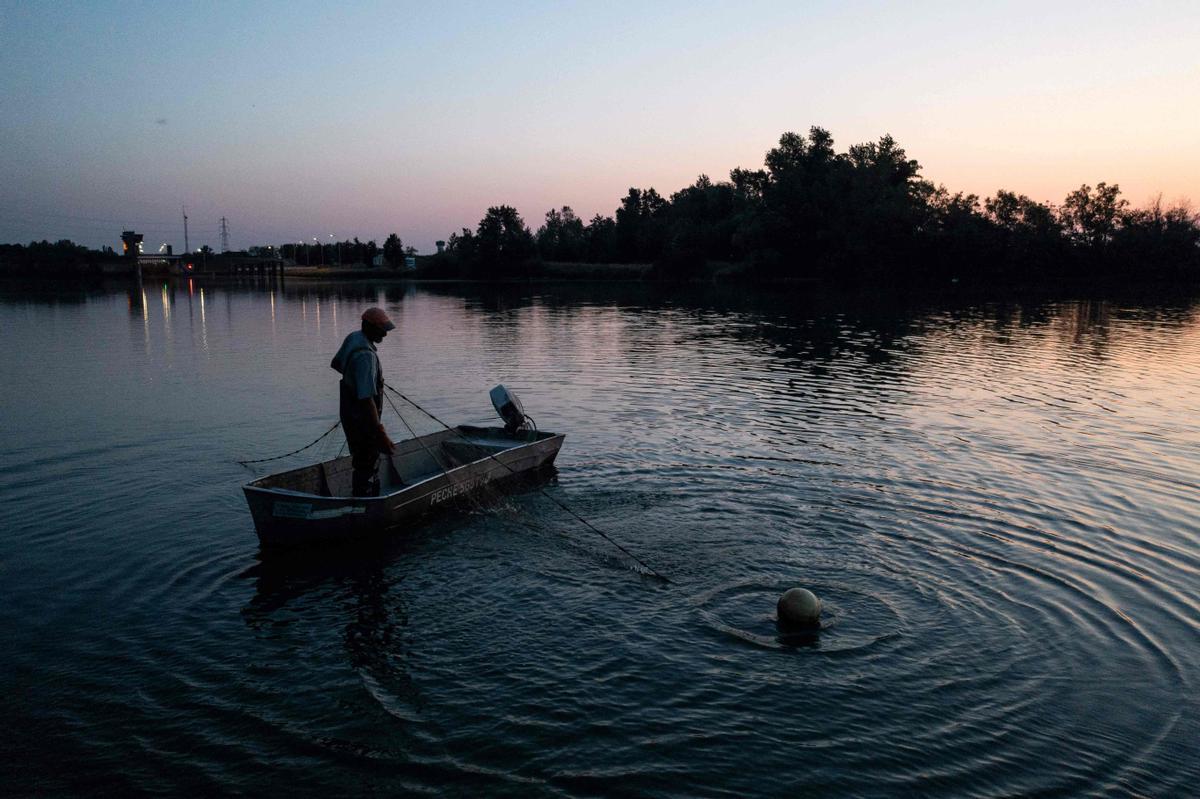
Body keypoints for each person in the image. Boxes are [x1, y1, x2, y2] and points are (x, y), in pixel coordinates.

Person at [331, 307, 397, 496]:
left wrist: (357, 379)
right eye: (381, 329)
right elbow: (367, 399)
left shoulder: (354, 338)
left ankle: (362, 498)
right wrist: (380, 432)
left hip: (348, 414)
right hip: (363, 419)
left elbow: (336, 363)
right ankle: (365, 503)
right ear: (368, 327)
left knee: (361, 457)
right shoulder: (366, 356)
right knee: (368, 460)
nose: (385, 333)